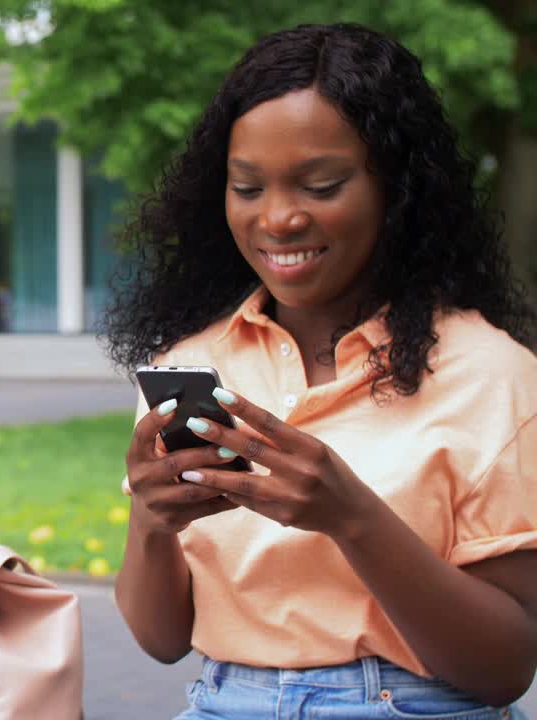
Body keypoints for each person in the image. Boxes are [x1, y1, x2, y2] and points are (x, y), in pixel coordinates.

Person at [105, 23, 537, 719]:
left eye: (321, 184)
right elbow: (160, 640)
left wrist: (352, 517)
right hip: (222, 702)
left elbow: (503, 668)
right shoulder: (189, 365)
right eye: (247, 187)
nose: (278, 219)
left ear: (397, 188)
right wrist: (153, 522)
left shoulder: (493, 374)